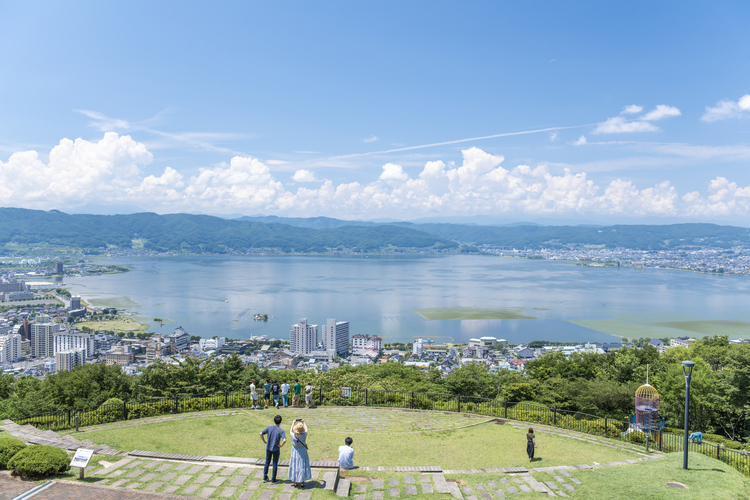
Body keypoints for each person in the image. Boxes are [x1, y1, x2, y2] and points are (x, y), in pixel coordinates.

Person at [260, 415, 286, 484]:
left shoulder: (269, 427)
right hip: (276, 449)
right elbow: (284, 440)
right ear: (280, 422)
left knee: (267, 462)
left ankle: (265, 477)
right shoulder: (281, 430)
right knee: (275, 463)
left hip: (268, 447)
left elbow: (261, 433)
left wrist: (264, 441)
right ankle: (273, 478)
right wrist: (281, 445)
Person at [288, 419, 312, 487]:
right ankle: (302, 481)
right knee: (302, 465)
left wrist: (293, 423)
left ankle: (295, 481)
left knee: (295, 464)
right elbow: (306, 429)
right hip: (302, 451)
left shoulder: (293, 435)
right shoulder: (304, 435)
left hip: (295, 451)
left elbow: (290, 431)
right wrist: (303, 422)